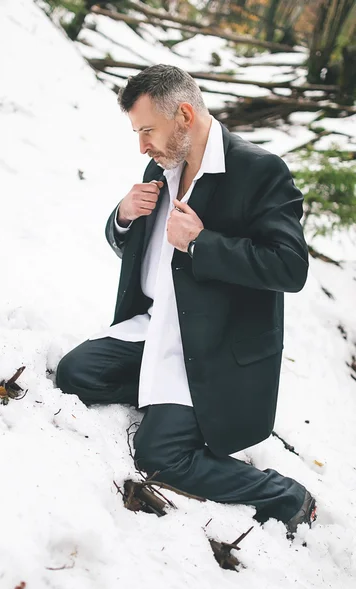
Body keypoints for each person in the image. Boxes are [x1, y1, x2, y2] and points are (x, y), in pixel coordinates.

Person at [56, 64, 316, 533]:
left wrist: (201, 243)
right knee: (75, 373)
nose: (142, 146)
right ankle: (164, 404)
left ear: (184, 115)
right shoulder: (162, 166)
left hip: (211, 349)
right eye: (137, 133)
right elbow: (141, 255)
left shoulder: (260, 170)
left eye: (147, 130)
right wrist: (123, 217)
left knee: (158, 456)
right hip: (155, 326)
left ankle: (286, 494)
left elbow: (290, 267)